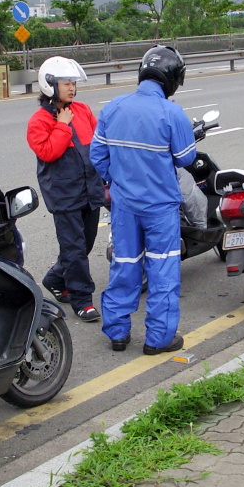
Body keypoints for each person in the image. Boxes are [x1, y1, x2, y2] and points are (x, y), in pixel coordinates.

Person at [91, 45, 197, 354]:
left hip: (124, 204)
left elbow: (98, 156)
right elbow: (186, 157)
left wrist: (119, 178)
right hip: (160, 206)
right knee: (162, 269)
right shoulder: (171, 112)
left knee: (124, 264)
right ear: (172, 80)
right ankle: (158, 339)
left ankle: (118, 333)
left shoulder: (113, 107)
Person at [26, 56, 106, 322]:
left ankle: (54, 279)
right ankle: (82, 300)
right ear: (50, 85)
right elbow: (48, 152)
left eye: (73, 82)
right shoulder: (39, 121)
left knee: (85, 244)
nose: (71, 87)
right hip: (64, 194)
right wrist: (61, 124)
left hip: (89, 189)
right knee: (74, 248)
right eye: (65, 83)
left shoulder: (82, 110)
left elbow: (98, 145)